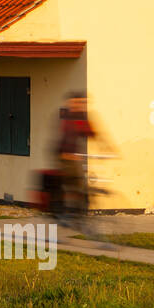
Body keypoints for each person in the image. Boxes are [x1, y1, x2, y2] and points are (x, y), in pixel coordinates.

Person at [54, 92, 118, 234]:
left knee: (83, 187)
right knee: (74, 183)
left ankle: (79, 215)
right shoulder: (66, 118)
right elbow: (64, 139)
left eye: (83, 103)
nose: (81, 106)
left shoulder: (83, 118)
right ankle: (66, 213)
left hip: (77, 157)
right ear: (71, 103)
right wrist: (67, 155)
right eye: (78, 103)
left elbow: (95, 134)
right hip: (63, 157)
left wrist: (108, 149)